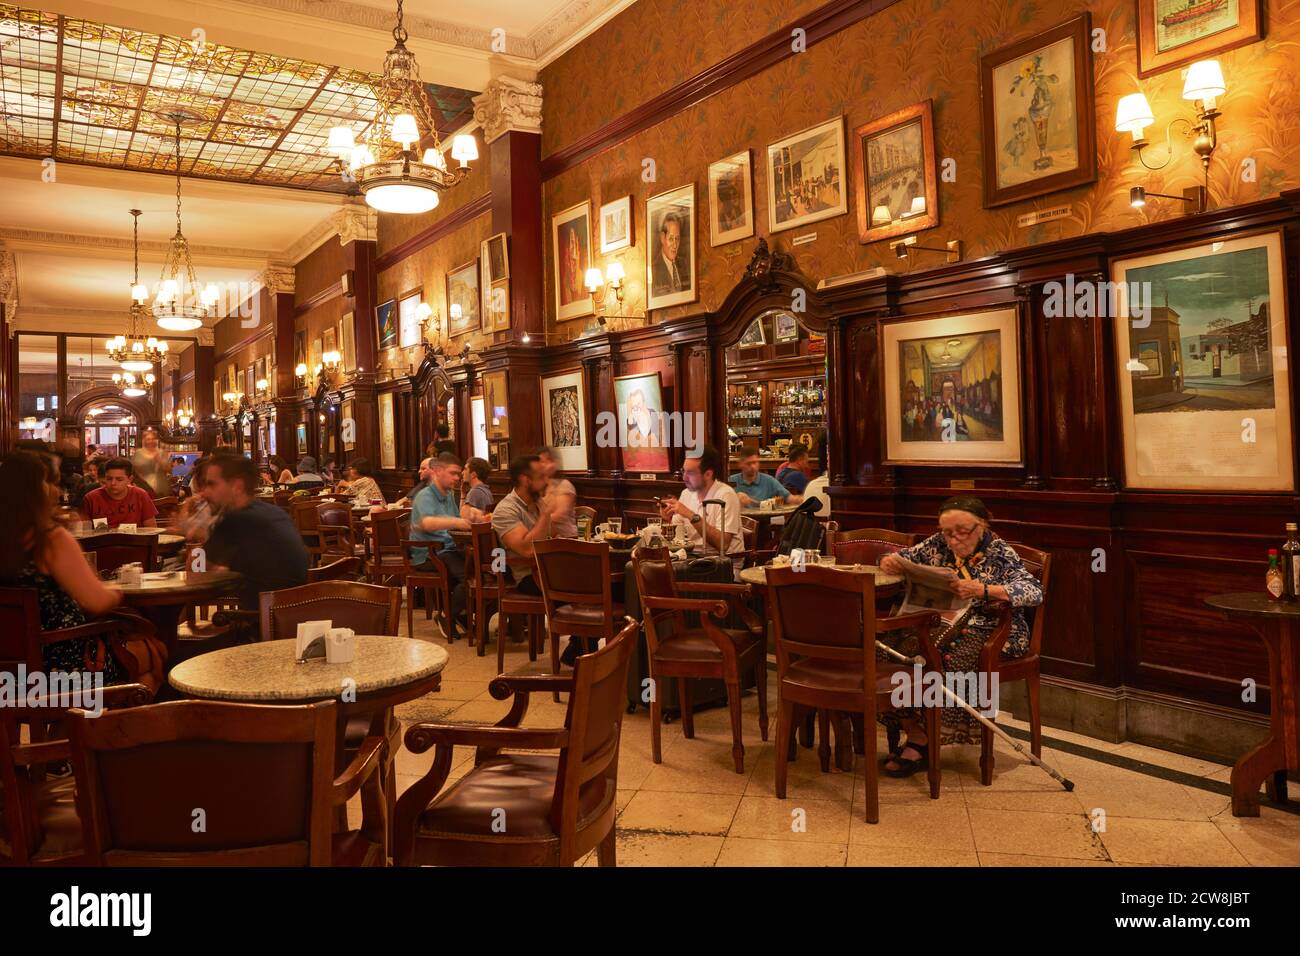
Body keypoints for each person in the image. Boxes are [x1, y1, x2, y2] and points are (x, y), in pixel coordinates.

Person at [876, 496, 1043, 777]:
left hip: (989, 627)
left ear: (982, 526)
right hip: (937, 621)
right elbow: (898, 557)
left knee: (945, 658)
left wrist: (984, 590)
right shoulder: (938, 543)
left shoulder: (1000, 552)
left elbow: (1034, 592)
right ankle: (916, 731)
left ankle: (929, 738)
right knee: (886, 650)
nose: (953, 540)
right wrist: (889, 561)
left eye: (961, 532)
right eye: (947, 532)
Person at [0, 450, 125, 681]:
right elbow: (97, 602)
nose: (59, 491)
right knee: (149, 656)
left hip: (9, 675)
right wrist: (118, 591)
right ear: (36, 489)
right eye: (53, 483)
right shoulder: (50, 540)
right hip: (61, 667)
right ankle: (116, 713)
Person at [202, 454, 309, 610]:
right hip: (293, 618)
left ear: (237, 487)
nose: (205, 492)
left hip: (261, 624)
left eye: (212, 485)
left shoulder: (235, 519)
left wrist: (196, 535)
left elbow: (197, 571)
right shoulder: (274, 512)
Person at [410, 453, 471, 634]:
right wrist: (457, 522)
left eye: (459, 474)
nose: (457, 478)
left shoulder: (448, 494)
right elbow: (426, 523)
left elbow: (457, 520)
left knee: (486, 568)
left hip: (448, 549)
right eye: (452, 473)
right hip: (430, 554)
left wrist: (471, 516)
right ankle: (447, 615)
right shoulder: (425, 495)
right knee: (469, 578)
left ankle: (461, 612)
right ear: (437, 471)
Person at [658, 444, 744, 571]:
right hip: (693, 560)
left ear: (708, 474)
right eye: (684, 471)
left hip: (723, 566)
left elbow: (722, 544)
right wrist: (667, 519)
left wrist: (690, 514)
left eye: (690, 473)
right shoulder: (686, 493)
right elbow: (677, 537)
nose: (684, 477)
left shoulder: (726, 495)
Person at [491, 454, 562, 596]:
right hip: (530, 578)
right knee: (594, 585)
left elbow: (554, 536)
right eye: (541, 477)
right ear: (526, 480)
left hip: (550, 571)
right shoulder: (506, 510)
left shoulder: (538, 503)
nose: (547, 481)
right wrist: (546, 514)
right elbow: (528, 550)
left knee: (610, 582)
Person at [80, 458, 158, 528]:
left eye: (119, 479)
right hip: (102, 543)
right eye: (109, 479)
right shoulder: (91, 498)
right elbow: (86, 532)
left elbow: (152, 529)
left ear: (130, 479)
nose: (113, 483)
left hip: (134, 542)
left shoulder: (140, 495)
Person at [729, 449, 799, 507]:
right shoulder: (731, 480)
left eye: (755, 462)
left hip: (765, 522)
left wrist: (806, 497)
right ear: (740, 464)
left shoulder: (769, 480)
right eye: (748, 463)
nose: (753, 466)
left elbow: (789, 498)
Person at [537, 446, 577, 538]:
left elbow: (560, 515)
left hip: (566, 538)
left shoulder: (565, 485)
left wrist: (535, 522)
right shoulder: (540, 486)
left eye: (546, 461)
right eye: (541, 462)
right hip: (545, 536)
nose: (542, 465)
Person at [650, 212, 688, 297]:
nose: (675, 245)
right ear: (662, 238)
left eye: (677, 239)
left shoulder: (685, 264)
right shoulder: (653, 270)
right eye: (671, 239)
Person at [131, 428, 171, 497]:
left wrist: (159, 460)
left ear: (156, 440)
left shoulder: (161, 453)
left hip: (161, 487)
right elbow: (133, 470)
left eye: (153, 439)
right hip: (142, 487)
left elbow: (169, 470)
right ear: (144, 440)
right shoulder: (138, 453)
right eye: (148, 439)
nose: (151, 441)